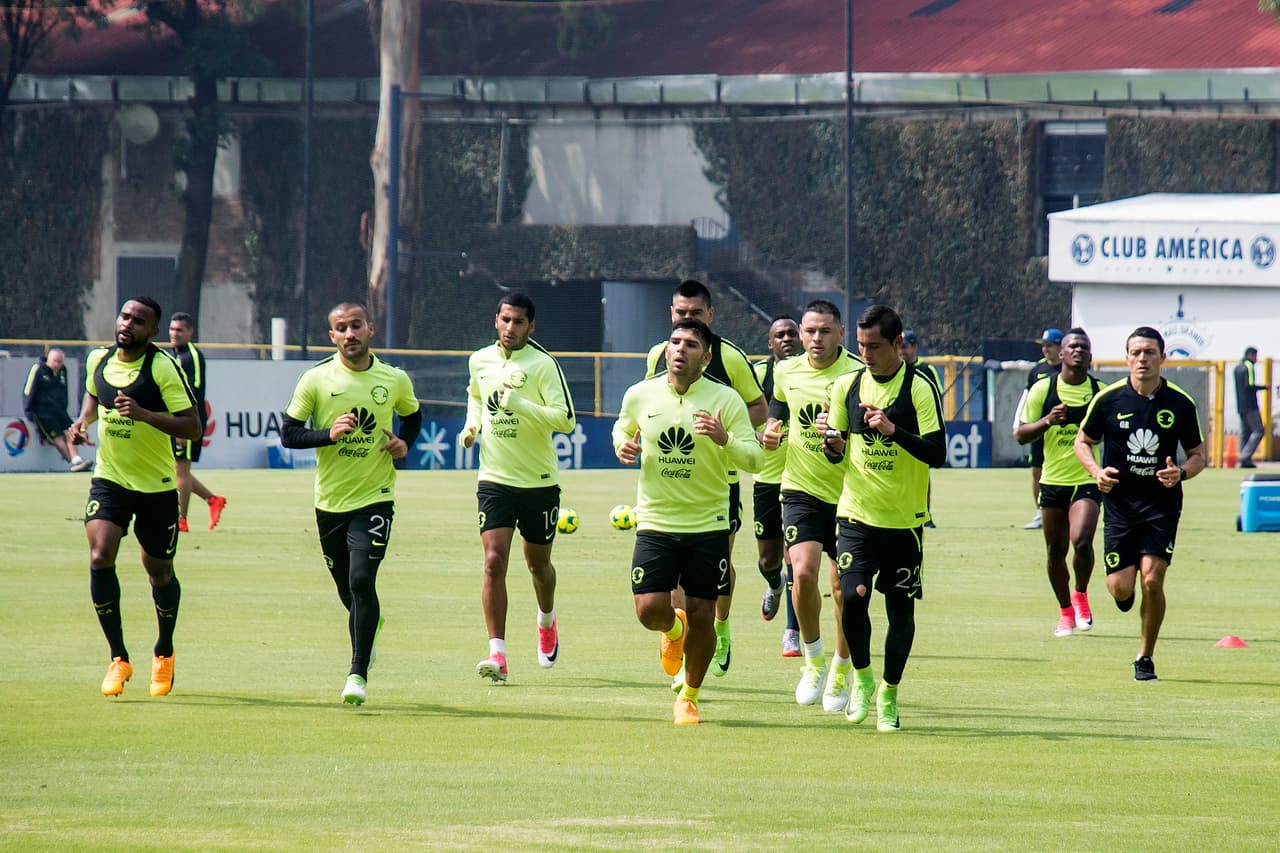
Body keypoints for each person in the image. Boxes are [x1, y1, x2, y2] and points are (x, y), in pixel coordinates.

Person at [614, 318, 763, 724]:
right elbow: (622, 427)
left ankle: (689, 696)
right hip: (656, 521)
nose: (679, 349)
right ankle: (673, 632)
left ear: (707, 356)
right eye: (674, 342)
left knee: (702, 612)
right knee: (648, 610)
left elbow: (755, 458)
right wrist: (622, 446)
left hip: (708, 523)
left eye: (691, 344)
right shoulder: (640, 394)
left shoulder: (725, 399)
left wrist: (724, 438)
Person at [282, 301, 421, 704]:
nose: (350, 334)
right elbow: (289, 434)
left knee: (362, 579)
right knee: (348, 590)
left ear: (370, 328)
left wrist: (403, 444)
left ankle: (357, 673)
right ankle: (368, 626)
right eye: (341, 328)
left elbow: (412, 417)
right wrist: (327, 434)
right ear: (332, 336)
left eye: (356, 325)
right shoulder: (315, 379)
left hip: (375, 497)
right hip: (329, 503)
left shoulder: (393, 379)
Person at [69, 297, 202, 698]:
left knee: (158, 570)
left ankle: (163, 651)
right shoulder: (99, 360)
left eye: (139, 321)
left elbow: (193, 426)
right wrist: (82, 421)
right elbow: (95, 394)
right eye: (125, 316)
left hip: (157, 486)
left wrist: (144, 414)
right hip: (110, 479)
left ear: (153, 331)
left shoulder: (161, 367)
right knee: (99, 555)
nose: (128, 324)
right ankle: (118, 658)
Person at [821, 304, 945, 731]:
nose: (866, 354)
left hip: (905, 522)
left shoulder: (919, 388)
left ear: (897, 344)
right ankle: (862, 677)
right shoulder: (847, 386)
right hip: (856, 515)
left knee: (900, 613)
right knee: (852, 598)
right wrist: (832, 444)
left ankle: (889, 694)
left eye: (874, 346)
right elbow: (835, 448)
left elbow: (938, 453)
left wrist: (893, 430)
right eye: (860, 346)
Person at [645, 279, 765, 682]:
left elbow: (758, 406)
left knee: (718, 571)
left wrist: (724, 438)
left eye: (696, 315)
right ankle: (679, 642)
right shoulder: (657, 357)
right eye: (681, 314)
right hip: (670, 487)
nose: (687, 321)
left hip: (721, 481)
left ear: (710, 316)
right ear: (671, 315)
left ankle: (721, 625)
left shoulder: (729, 358)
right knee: (675, 579)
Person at [1075, 326, 1205, 682]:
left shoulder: (1180, 403)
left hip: (1161, 505)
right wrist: (1096, 471)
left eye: (1150, 352)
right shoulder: (1109, 399)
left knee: (1153, 579)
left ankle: (1145, 657)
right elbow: (1082, 442)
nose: (1143, 359)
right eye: (1136, 353)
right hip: (1120, 505)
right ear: (1127, 358)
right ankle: (1123, 593)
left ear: (1163, 357)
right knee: (1120, 587)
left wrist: (1181, 472)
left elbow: (1198, 455)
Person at [461, 292, 575, 684]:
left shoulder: (544, 365)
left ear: (531, 326)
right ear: (496, 320)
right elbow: (476, 398)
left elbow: (566, 420)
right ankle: (499, 654)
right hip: (494, 479)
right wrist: (470, 426)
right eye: (505, 320)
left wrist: (521, 404)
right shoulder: (479, 360)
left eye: (519, 322)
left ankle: (546, 619)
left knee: (538, 566)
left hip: (539, 483)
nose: (511, 328)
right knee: (494, 561)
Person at [760, 300, 862, 712]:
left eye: (824, 331)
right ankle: (813, 661)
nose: (815, 339)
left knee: (844, 591)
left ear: (840, 333)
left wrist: (840, 435)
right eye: (809, 331)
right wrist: (770, 432)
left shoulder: (858, 374)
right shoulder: (786, 371)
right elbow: (777, 411)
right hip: (800, 487)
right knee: (802, 573)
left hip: (851, 493)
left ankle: (841, 668)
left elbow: (869, 434)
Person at [1015, 328, 1102, 637]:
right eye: (1072, 346)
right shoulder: (1043, 389)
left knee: (1082, 540)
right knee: (1055, 551)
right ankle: (1065, 611)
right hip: (1053, 481)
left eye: (1084, 347)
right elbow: (1021, 434)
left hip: (1087, 479)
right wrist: (1047, 421)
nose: (1078, 351)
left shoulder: (1100, 392)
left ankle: (1081, 593)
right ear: (1061, 355)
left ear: (1090, 356)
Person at [752, 315, 803, 657]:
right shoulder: (756, 375)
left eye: (791, 333)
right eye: (779, 335)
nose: (786, 338)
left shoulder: (808, 373)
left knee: (795, 558)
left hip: (801, 478)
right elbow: (739, 414)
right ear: (770, 343)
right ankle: (773, 585)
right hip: (766, 478)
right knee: (769, 559)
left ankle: (792, 632)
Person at [168, 312, 227, 532]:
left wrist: (183, 425)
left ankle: (181, 520)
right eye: (172, 329)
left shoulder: (191, 356)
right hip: (176, 420)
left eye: (179, 330)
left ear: (190, 332)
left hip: (188, 421)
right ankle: (213, 500)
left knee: (181, 470)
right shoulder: (172, 355)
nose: (174, 333)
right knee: (176, 469)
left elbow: (193, 391)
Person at [1014, 328, 1064, 530]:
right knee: (1037, 471)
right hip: (1039, 427)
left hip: (1062, 431)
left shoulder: (1068, 368)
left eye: (1049, 345)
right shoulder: (1037, 371)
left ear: (1061, 347)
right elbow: (1025, 399)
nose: (1045, 349)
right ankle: (1040, 513)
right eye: (1043, 345)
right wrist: (1018, 424)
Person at [899, 329, 942, 528]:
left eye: (905, 347)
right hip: (896, 430)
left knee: (922, 473)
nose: (901, 351)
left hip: (919, 431)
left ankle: (925, 514)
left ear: (914, 347)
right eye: (899, 346)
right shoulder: (894, 369)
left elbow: (937, 399)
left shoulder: (926, 370)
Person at [23, 347, 91, 471]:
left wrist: (64, 406)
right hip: (43, 412)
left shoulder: (62, 371)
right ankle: (73, 463)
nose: (58, 364)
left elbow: (65, 390)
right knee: (58, 437)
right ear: (49, 360)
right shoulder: (38, 369)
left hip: (59, 410)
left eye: (60, 362)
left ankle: (77, 458)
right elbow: (29, 390)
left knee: (71, 432)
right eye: (56, 361)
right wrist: (28, 411)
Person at [1234, 347, 1266, 468]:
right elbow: (1249, 385)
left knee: (1245, 433)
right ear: (1251, 355)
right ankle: (1245, 456)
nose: (1256, 359)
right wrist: (1264, 387)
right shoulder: (1248, 366)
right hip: (1250, 405)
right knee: (1259, 430)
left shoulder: (1237, 367)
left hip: (1241, 406)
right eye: (1255, 356)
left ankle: (1244, 461)